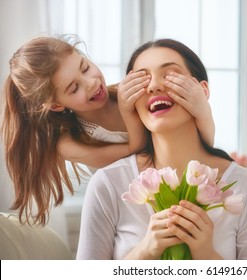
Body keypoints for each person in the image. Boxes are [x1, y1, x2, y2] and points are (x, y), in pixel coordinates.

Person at [76, 39, 247, 260]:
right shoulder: (108, 184)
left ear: (203, 90)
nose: (154, 86)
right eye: (141, 80)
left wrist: (206, 254)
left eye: (170, 75)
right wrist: (146, 251)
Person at [0, 35, 215, 226]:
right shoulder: (69, 144)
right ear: (56, 105)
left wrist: (202, 110)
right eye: (74, 88)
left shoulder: (131, 92)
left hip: (179, 188)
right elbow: (138, 154)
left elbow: (201, 142)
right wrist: (128, 112)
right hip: (133, 211)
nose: (91, 82)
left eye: (85, 67)